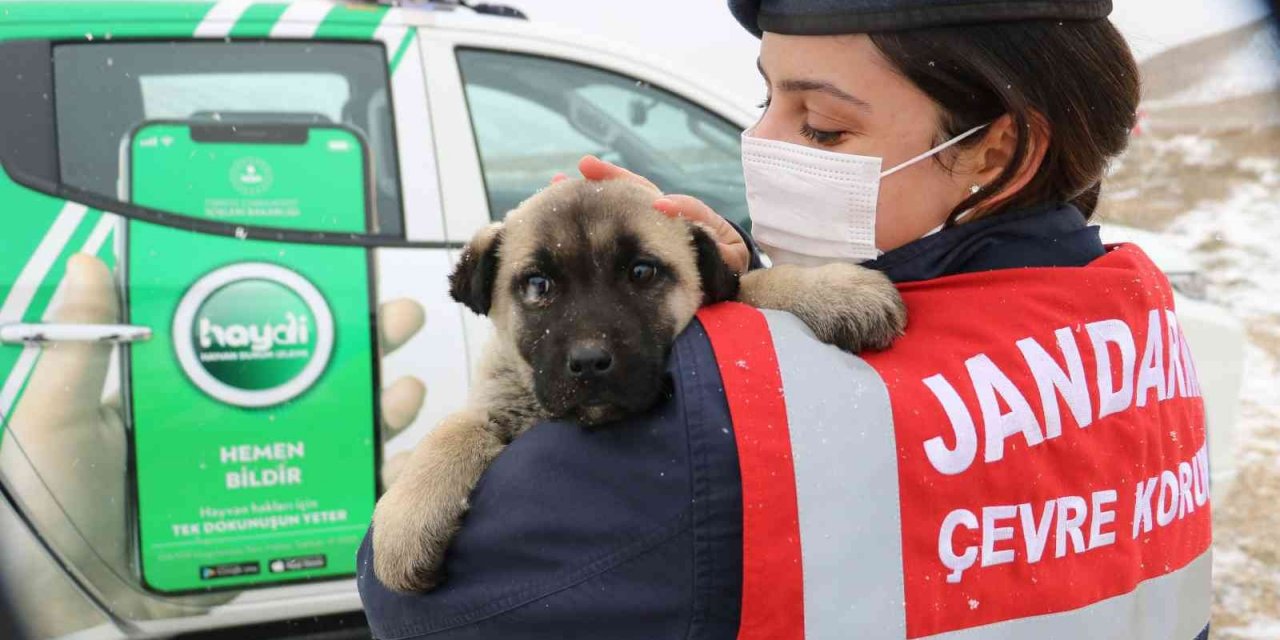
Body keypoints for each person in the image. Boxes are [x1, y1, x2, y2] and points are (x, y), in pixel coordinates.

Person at [356, 1, 1213, 638]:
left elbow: (413, 599)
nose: (760, 141)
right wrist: (744, 288)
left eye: (825, 126)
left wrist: (729, 327)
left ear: (997, 149)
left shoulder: (718, 427)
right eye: (765, 98)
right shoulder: (1138, 322)